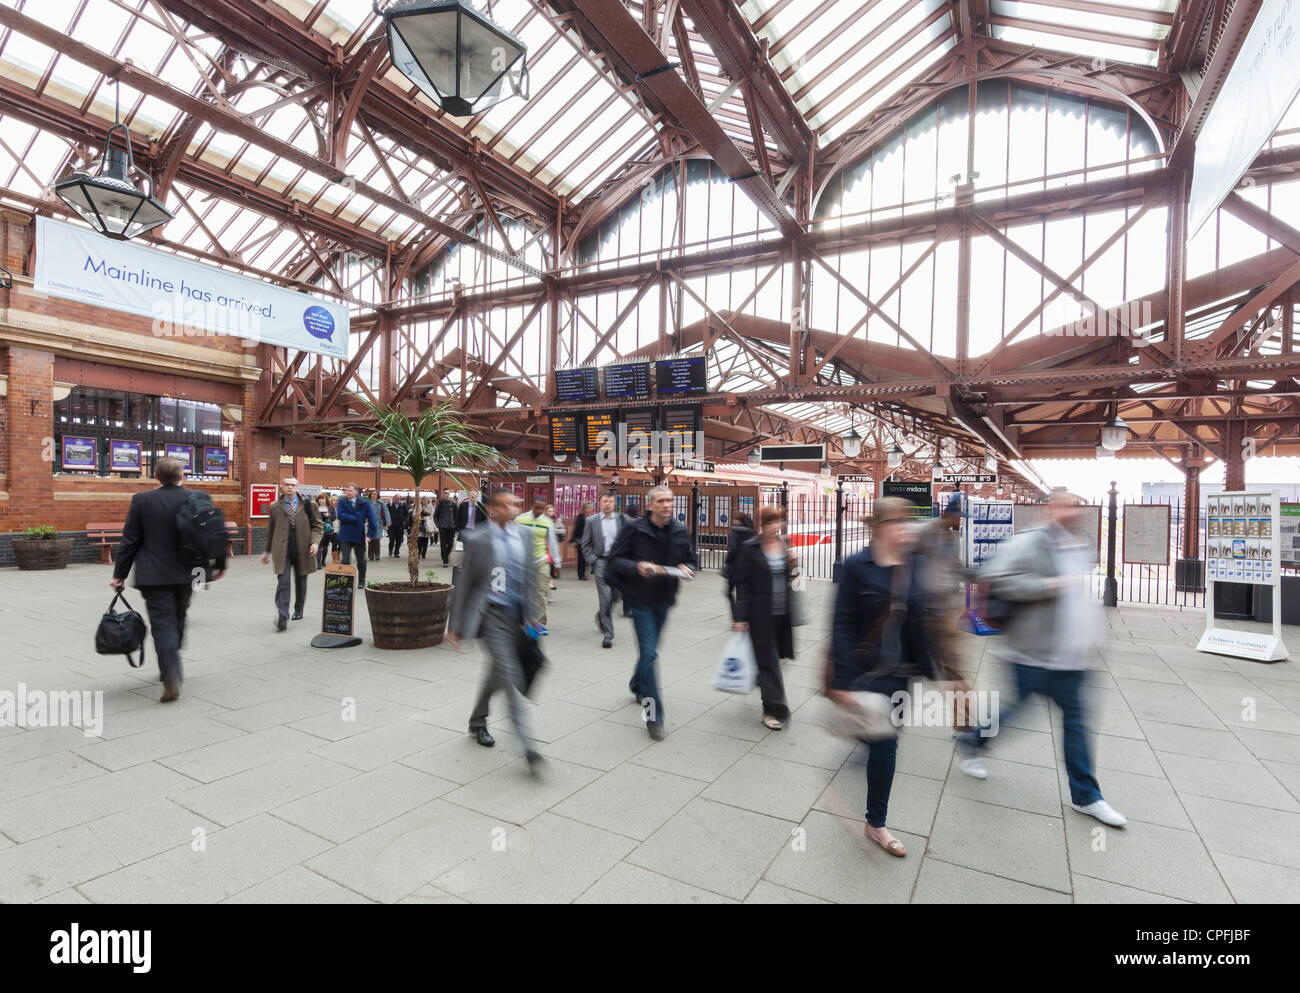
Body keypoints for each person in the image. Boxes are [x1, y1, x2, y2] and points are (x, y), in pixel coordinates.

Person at [955, 490, 1127, 827]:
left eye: (1077, 506)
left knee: (1076, 722)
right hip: (1031, 654)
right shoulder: (1029, 542)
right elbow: (996, 578)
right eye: (1065, 506)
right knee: (1017, 711)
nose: (1072, 512)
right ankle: (973, 739)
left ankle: (1086, 796)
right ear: (1050, 508)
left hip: (1073, 657)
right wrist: (1048, 585)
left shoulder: (1080, 543)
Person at [828, 497, 933, 858]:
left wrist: (938, 670)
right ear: (879, 527)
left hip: (900, 674)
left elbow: (921, 617)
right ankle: (877, 824)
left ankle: (866, 738)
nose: (905, 529)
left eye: (908, 522)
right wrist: (841, 682)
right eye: (898, 522)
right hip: (865, 673)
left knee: (884, 740)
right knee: (886, 746)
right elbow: (840, 624)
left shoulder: (913, 564)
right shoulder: (857, 566)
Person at [110, 456, 226, 702]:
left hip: (154, 574)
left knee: (162, 624)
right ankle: (174, 649)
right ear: (182, 476)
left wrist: (119, 574)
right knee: (181, 614)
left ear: (156, 477)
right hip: (193, 572)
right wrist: (220, 565)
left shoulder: (142, 501)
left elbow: (130, 541)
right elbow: (215, 532)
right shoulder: (199, 498)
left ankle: (170, 673)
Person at [446, 489, 543, 775]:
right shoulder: (477, 539)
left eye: (514, 504)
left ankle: (477, 721)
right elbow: (465, 584)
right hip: (491, 617)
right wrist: (456, 625)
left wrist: (533, 615)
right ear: (492, 508)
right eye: (504, 505)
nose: (511, 509)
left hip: (517, 619)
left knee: (497, 675)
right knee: (510, 676)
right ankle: (528, 746)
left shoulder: (525, 536)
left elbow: (530, 578)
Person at [609, 484, 698, 740]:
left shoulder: (680, 530)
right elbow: (614, 561)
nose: (666, 505)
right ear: (650, 505)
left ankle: (637, 683)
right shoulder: (633, 529)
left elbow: (691, 560)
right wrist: (637, 566)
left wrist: (687, 567)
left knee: (650, 653)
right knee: (650, 653)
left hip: (664, 600)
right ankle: (653, 716)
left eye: (669, 501)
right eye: (660, 501)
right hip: (640, 600)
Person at [728, 505, 798, 730]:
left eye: (779, 522)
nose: (776, 527)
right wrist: (739, 617)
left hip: (781, 613)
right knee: (770, 662)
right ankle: (774, 708)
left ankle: (761, 679)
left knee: (773, 659)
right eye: (771, 523)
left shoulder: (784, 544)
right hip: (760, 614)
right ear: (762, 525)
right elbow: (743, 585)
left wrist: (793, 564)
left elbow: (793, 580)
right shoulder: (750, 548)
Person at [915, 494, 978, 734]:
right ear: (949, 515)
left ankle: (964, 724)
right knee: (903, 665)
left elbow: (956, 569)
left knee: (954, 670)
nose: (961, 522)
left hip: (946, 614)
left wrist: (976, 575)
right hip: (922, 612)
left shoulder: (953, 539)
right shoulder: (926, 533)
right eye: (959, 517)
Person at [262, 476, 323, 632]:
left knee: (301, 581)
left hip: (303, 548)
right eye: (287, 485)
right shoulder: (275, 506)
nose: (289, 488)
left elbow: (318, 526)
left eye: (293, 485)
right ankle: (283, 616)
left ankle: (299, 608)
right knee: (283, 582)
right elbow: (271, 530)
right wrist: (266, 551)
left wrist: (315, 542)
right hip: (282, 549)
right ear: (281, 487)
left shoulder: (310, 505)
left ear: (297, 488)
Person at [581, 494, 625, 649]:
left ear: (615, 504)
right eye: (605, 501)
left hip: (617, 563)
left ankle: (601, 615)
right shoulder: (591, 521)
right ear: (600, 503)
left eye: (611, 501)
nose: (608, 504)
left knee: (616, 595)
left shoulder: (621, 520)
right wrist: (593, 560)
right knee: (605, 596)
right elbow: (585, 544)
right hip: (601, 562)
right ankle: (608, 634)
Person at [516, 496, 560, 626]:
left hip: (541, 560)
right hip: (524, 561)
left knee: (542, 591)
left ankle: (540, 621)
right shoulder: (521, 519)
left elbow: (552, 544)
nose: (540, 511)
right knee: (524, 591)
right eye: (537, 508)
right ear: (531, 506)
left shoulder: (547, 523)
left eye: (542, 509)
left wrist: (557, 563)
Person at [335, 482, 375, 588]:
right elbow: (340, 515)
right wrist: (356, 518)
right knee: (345, 560)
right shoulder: (341, 501)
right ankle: (345, 581)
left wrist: (370, 535)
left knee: (361, 560)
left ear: (356, 492)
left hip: (359, 537)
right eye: (346, 490)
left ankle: (362, 580)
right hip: (345, 536)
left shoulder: (364, 503)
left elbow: (372, 520)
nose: (347, 493)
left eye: (350, 491)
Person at [723, 511, 755, 612]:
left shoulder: (734, 533)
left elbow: (732, 550)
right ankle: (744, 616)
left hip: (734, 567)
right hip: (747, 566)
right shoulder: (751, 532)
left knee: (728, 592)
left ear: (738, 521)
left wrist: (727, 562)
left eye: (734, 519)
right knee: (742, 593)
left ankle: (737, 615)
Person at [434, 488, 458, 566]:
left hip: (451, 527)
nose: (447, 494)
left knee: (451, 544)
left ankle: (446, 556)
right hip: (443, 527)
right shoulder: (440, 504)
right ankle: (445, 561)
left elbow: (457, 515)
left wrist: (455, 524)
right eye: (445, 493)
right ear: (443, 494)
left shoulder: (453, 504)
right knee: (443, 544)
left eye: (448, 493)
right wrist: (438, 525)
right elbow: (435, 515)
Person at [571, 501, 593, 580]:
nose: (590, 509)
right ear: (584, 508)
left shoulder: (590, 517)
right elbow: (576, 529)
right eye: (588, 507)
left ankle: (585, 572)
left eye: (591, 507)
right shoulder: (581, 517)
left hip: (587, 540)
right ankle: (581, 574)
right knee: (581, 558)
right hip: (580, 540)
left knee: (586, 557)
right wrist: (574, 540)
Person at [545, 503, 565, 592]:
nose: (551, 513)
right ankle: (548, 583)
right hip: (545, 546)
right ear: (545, 512)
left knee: (553, 565)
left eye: (552, 511)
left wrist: (553, 530)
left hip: (554, 544)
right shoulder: (543, 520)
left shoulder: (557, 520)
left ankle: (551, 583)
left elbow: (563, 530)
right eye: (549, 511)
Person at [315, 493, 337, 568]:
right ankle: (318, 564)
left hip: (328, 530)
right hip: (318, 529)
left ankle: (323, 561)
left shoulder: (330, 508)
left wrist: (328, 515)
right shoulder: (315, 507)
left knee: (325, 546)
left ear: (326, 500)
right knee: (319, 546)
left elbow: (334, 517)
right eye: (319, 498)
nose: (321, 500)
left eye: (323, 498)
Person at [366, 490, 384, 561]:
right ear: (370, 495)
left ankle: (377, 554)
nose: (374, 495)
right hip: (370, 522)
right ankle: (370, 555)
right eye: (372, 494)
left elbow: (384, 512)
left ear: (377, 495)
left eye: (375, 494)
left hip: (378, 522)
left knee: (377, 539)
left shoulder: (380, 503)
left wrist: (386, 522)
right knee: (370, 539)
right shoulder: (368, 503)